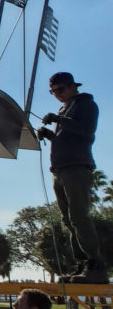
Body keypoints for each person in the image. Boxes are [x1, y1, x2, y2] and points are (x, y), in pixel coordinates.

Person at [36, 71, 104, 283]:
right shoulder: (64, 108)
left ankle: (96, 265)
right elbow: (67, 137)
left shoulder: (86, 105)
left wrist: (58, 119)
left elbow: (86, 132)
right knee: (68, 219)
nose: (57, 94)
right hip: (60, 169)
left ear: (73, 86)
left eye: (61, 90)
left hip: (77, 168)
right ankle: (83, 264)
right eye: (53, 91)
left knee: (79, 216)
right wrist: (50, 135)